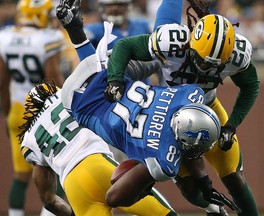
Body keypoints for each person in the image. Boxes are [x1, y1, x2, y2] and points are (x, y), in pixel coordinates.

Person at [56, 0, 241, 215]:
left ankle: (75, 30)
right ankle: (76, 31)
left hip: (109, 77)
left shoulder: (187, 95)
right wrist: (143, 186)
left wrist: (204, 182)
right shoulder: (164, 160)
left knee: (147, 62)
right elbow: (115, 197)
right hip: (78, 104)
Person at [102, 1, 260, 216]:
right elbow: (125, 46)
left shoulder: (237, 55)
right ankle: (213, 208)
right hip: (169, 115)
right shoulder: (171, 41)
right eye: (203, 61)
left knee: (233, 175)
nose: (207, 67)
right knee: (188, 185)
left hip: (208, 109)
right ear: (191, 43)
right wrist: (115, 80)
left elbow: (251, 85)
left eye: (214, 64)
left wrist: (232, 125)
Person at [17, 81, 179, 216]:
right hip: (96, 164)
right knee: (163, 213)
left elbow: (48, 200)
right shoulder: (69, 95)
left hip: (73, 187)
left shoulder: (30, 138)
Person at [0, 0, 65, 215]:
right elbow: (53, 81)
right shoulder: (48, 39)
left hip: (18, 109)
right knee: (56, 171)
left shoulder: (6, 36)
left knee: (21, 175)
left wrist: (8, 112)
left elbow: (2, 81)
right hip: (44, 111)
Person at [84, 0, 151, 50]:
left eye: (120, 4)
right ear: (102, 7)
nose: (115, 8)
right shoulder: (94, 30)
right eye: (110, 5)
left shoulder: (144, 25)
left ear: (128, 6)